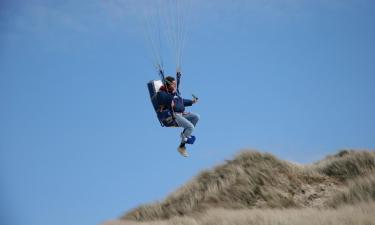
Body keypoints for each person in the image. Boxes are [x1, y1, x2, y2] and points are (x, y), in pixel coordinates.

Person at [157, 72, 199, 157]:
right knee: (190, 127)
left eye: (176, 84)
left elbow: (181, 101)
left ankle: (185, 135)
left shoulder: (173, 92)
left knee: (196, 117)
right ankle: (182, 146)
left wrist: (191, 102)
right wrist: (172, 94)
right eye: (174, 84)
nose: (175, 86)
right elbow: (166, 100)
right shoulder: (162, 94)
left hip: (180, 115)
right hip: (171, 117)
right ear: (168, 85)